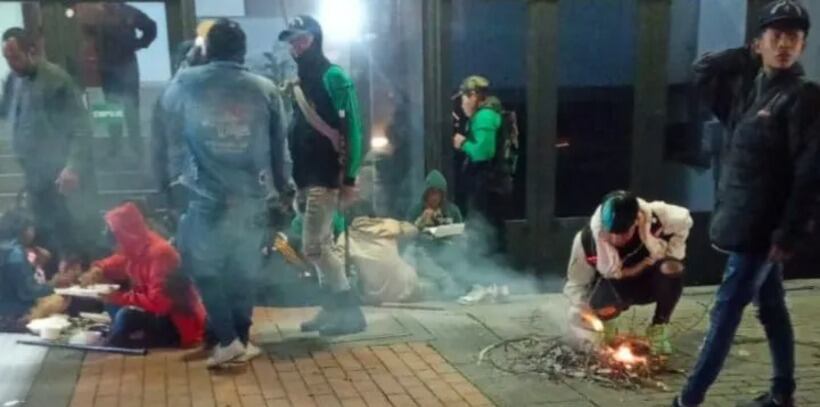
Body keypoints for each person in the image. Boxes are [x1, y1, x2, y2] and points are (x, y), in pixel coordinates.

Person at [674, 2, 820, 406]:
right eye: (776, 35)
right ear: (759, 43)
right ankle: (782, 393)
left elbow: (810, 172)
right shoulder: (749, 91)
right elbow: (702, 71)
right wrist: (747, 52)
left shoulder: (803, 98)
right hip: (743, 219)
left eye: (794, 36)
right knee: (771, 307)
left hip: (763, 229)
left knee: (724, 314)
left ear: (803, 45)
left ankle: (688, 400)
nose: (785, 43)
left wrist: (789, 232)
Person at [164, 19, 289, 367]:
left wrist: (192, 56)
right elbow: (280, 148)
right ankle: (242, 339)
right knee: (243, 271)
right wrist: (284, 191)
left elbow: (166, 104)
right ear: (243, 50)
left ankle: (229, 339)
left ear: (207, 49)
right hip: (252, 196)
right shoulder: (264, 88)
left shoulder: (188, 83)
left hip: (206, 196)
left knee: (204, 268)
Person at [279, 15, 366, 336]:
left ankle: (349, 311)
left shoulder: (333, 76)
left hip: (325, 175)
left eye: (300, 38)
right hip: (303, 175)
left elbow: (352, 127)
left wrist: (351, 175)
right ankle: (332, 309)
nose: (294, 45)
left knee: (315, 247)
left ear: (314, 38)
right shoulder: (301, 79)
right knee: (320, 245)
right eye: (291, 40)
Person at [1, 28, 94, 273]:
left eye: (15, 57)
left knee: (68, 238)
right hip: (33, 174)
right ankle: (49, 288)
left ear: (31, 51)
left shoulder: (57, 79)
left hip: (59, 174)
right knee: (42, 237)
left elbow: (81, 127)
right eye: (6, 58)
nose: (11, 64)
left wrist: (72, 166)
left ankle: (76, 291)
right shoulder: (13, 80)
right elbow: (6, 111)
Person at [564, 191, 692, 355]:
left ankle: (659, 327)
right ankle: (606, 328)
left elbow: (685, 221)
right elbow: (576, 283)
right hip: (615, 289)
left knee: (672, 268)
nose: (617, 239)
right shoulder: (586, 240)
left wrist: (674, 253)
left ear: (636, 221)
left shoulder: (657, 218)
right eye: (611, 233)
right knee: (595, 303)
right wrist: (583, 310)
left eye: (624, 233)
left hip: (650, 281)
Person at [79, 202, 206, 349]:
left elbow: (160, 303)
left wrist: (117, 297)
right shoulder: (137, 246)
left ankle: (119, 341)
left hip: (175, 322)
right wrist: (98, 269)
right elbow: (117, 261)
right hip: (157, 313)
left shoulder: (159, 253)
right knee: (117, 309)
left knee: (126, 315)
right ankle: (118, 338)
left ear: (126, 236)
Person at [83, 2, 156, 159]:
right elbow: (88, 31)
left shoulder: (129, 13)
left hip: (126, 67)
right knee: (110, 109)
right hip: (107, 68)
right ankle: (114, 146)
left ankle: (136, 149)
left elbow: (151, 27)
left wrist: (139, 44)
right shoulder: (98, 13)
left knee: (131, 111)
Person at [0, 210, 69, 331]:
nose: (33, 232)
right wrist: (53, 284)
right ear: (23, 230)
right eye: (31, 228)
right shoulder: (15, 253)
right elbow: (27, 291)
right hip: (14, 317)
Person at [405, 170, 466, 299]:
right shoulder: (416, 210)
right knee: (414, 253)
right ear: (426, 194)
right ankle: (448, 286)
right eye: (432, 193)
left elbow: (460, 232)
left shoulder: (452, 210)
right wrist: (421, 222)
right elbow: (406, 235)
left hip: (446, 251)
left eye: (438, 193)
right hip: (423, 254)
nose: (435, 197)